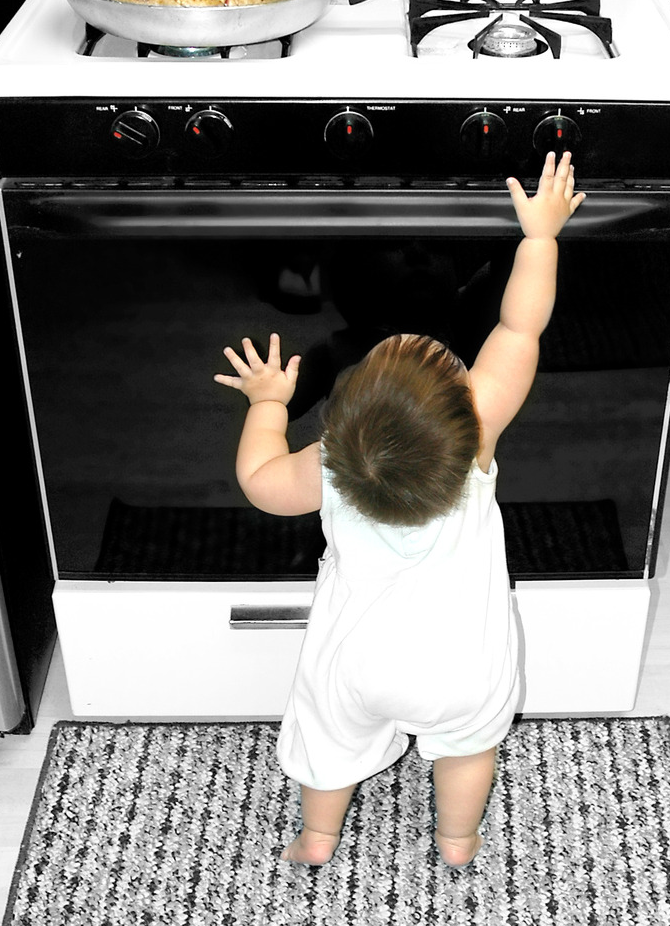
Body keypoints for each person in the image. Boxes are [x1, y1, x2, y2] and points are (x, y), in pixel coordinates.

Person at [214, 151, 585, 868]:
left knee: (330, 747)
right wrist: (539, 239)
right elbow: (519, 331)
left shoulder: (328, 463)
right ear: (464, 405)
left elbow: (260, 480)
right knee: (467, 752)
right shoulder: (475, 440)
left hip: (355, 663)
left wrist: (266, 404)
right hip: (463, 665)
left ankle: (318, 837)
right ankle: (455, 840)